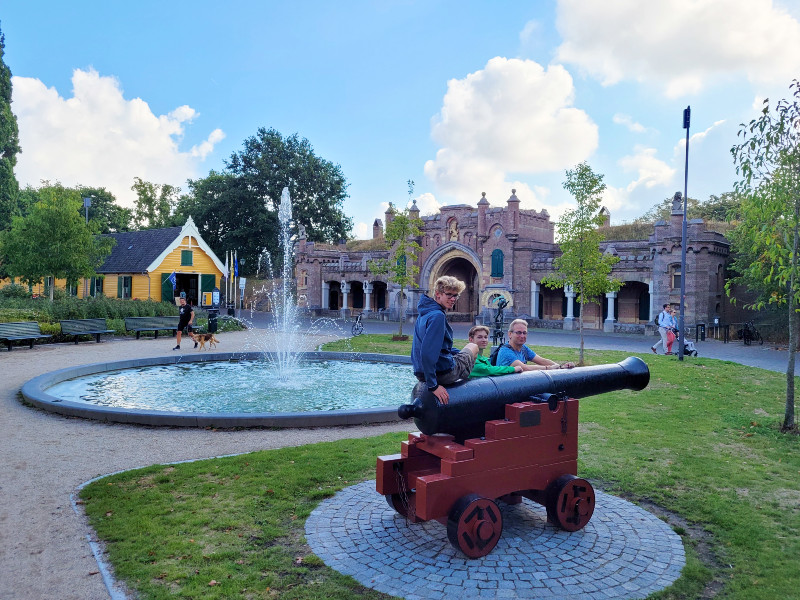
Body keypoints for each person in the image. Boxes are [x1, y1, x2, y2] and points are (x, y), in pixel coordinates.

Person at [411, 276, 479, 404]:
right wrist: (433, 386)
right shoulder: (437, 316)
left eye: (456, 295)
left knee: (462, 352)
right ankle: (469, 382)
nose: (453, 299)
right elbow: (427, 353)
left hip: (420, 373)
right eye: (449, 295)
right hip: (443, 374)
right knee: (473, 347)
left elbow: (425, 347)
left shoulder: (425, 313)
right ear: (438, 294)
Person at [496, 319, 575, 371]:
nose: (522, 336)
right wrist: (549, 368)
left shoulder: (523, 349)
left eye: (524, 333)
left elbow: (542, 360)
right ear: (510, 334)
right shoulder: (505, 352)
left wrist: (560, 367)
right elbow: (525, 368)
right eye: (519, 332)